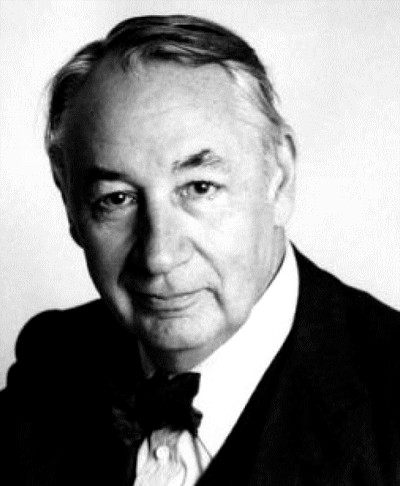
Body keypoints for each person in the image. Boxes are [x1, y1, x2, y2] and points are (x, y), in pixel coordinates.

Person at [0, 14, 399, 486]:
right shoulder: (49, 366)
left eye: (200, 187)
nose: (159, 256)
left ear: (280, 176)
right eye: (117, 199)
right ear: (69, 203)